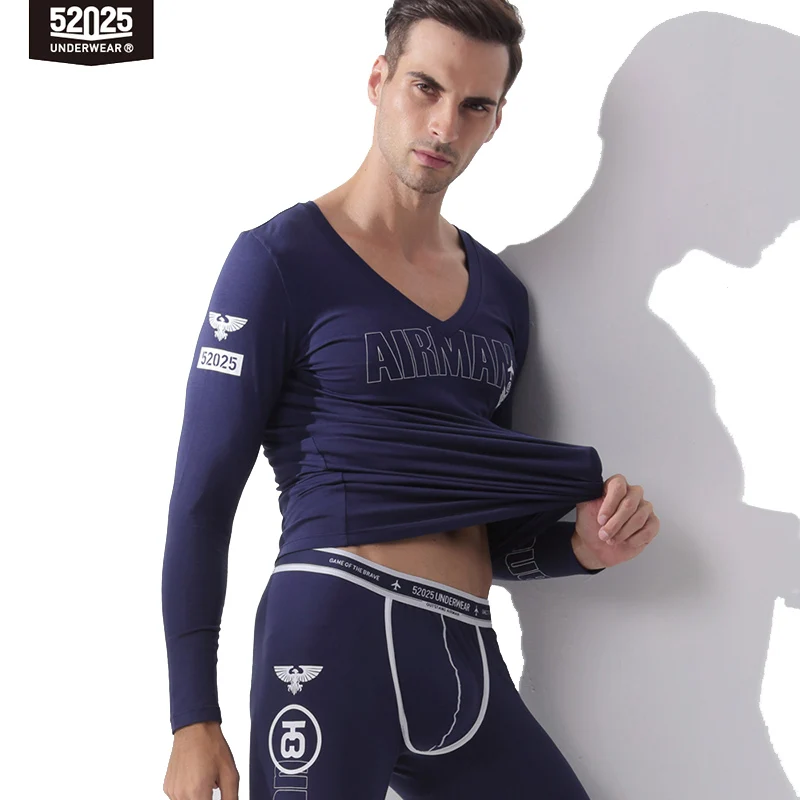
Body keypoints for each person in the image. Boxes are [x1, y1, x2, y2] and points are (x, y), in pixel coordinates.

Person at [161, 2, 659, 798]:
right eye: (425, 87)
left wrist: (583, 549)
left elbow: (487, 520)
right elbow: (202, 495)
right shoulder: (278, 261)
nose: (444, 125)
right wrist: (193, 716)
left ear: (497, 121)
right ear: (378, 79)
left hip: (467, 656)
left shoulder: (501, 296)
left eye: (474, 105)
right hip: (332, 633)